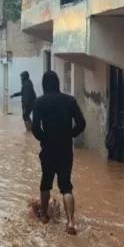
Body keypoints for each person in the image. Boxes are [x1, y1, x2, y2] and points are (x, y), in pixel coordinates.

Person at [31, 70, 86, 235]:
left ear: (44, 85)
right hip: (65, 149)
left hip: (48, 148)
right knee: (66, 186)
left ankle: (44, 216)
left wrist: (44, 138)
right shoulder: (69, 101)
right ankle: (70, 222)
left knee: (46, 182)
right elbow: (81, 123)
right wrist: (70, 135)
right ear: (58, 83)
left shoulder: (39, 102)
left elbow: (35, 128)